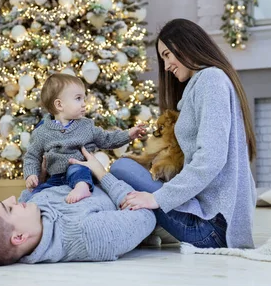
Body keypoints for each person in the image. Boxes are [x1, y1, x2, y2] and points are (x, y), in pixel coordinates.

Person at [100, 18, 258, 249]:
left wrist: (156, 198)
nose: (165, 66)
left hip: (209, 227)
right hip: (208, 218)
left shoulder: (211, 80)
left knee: (121, 168)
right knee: (128, 170)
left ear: (185, 45)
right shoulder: (206, 83)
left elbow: (211, 158)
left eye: (167, 55)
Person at [0, 148, 156, 266]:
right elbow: (147, 216)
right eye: (9, 209)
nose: (13, 198)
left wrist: (44, 174)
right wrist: (101, 173)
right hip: (141, 194)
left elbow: (29, 194)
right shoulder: (90, 235)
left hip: (97, 176)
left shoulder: (32, 211)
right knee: (123, 167)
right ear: (19, 237)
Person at [23, 73, 147, 204]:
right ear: (59, 105)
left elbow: (107, 138)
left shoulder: (86, 125)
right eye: (78, 99)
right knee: (36, 195)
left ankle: (82, 187)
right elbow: (32, 156)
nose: (84, 104)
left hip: (80, 169)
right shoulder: (42, 132)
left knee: (77, 170)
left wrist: (128, 135)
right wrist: (31, 174)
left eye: (83, 98)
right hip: (55, 177)